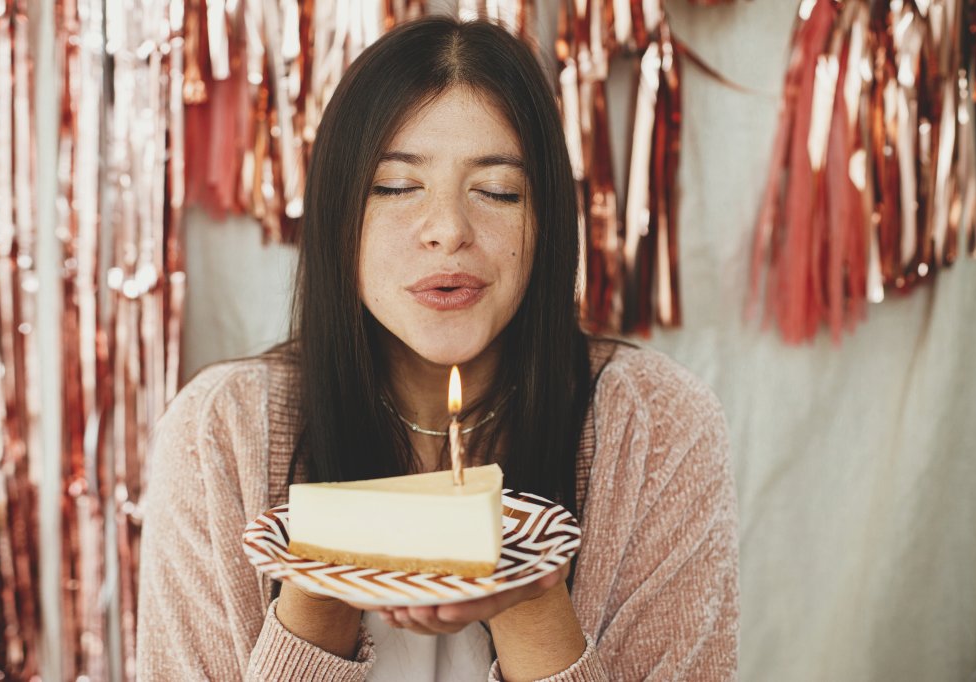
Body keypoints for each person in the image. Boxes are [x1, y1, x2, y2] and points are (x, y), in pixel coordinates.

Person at [136, 15, 738, 681]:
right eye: (396, 186)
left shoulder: (655, 424)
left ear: (546, 222)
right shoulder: (218, 433)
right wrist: (318, 586)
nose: (448, 230)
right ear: (338, 215)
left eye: (498, 191)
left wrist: (530, 601)